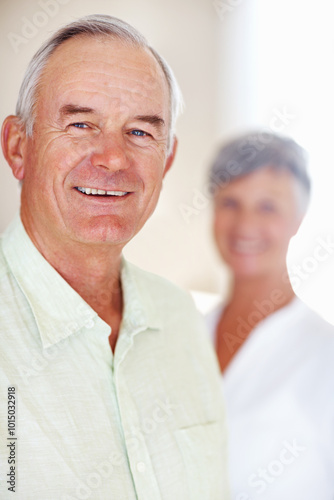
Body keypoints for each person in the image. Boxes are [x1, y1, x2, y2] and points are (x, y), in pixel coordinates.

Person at [0, 15, 229, 499]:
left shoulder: (180, 316)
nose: (112, 158)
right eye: (81, 124)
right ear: (18, 147)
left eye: (141, 133)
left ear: (166, 161)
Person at [206, 131, 334, 499]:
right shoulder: (182, 335)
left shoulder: (325, 355)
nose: (245, 224)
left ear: (298, 219)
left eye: (267, 207)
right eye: (230, 202)